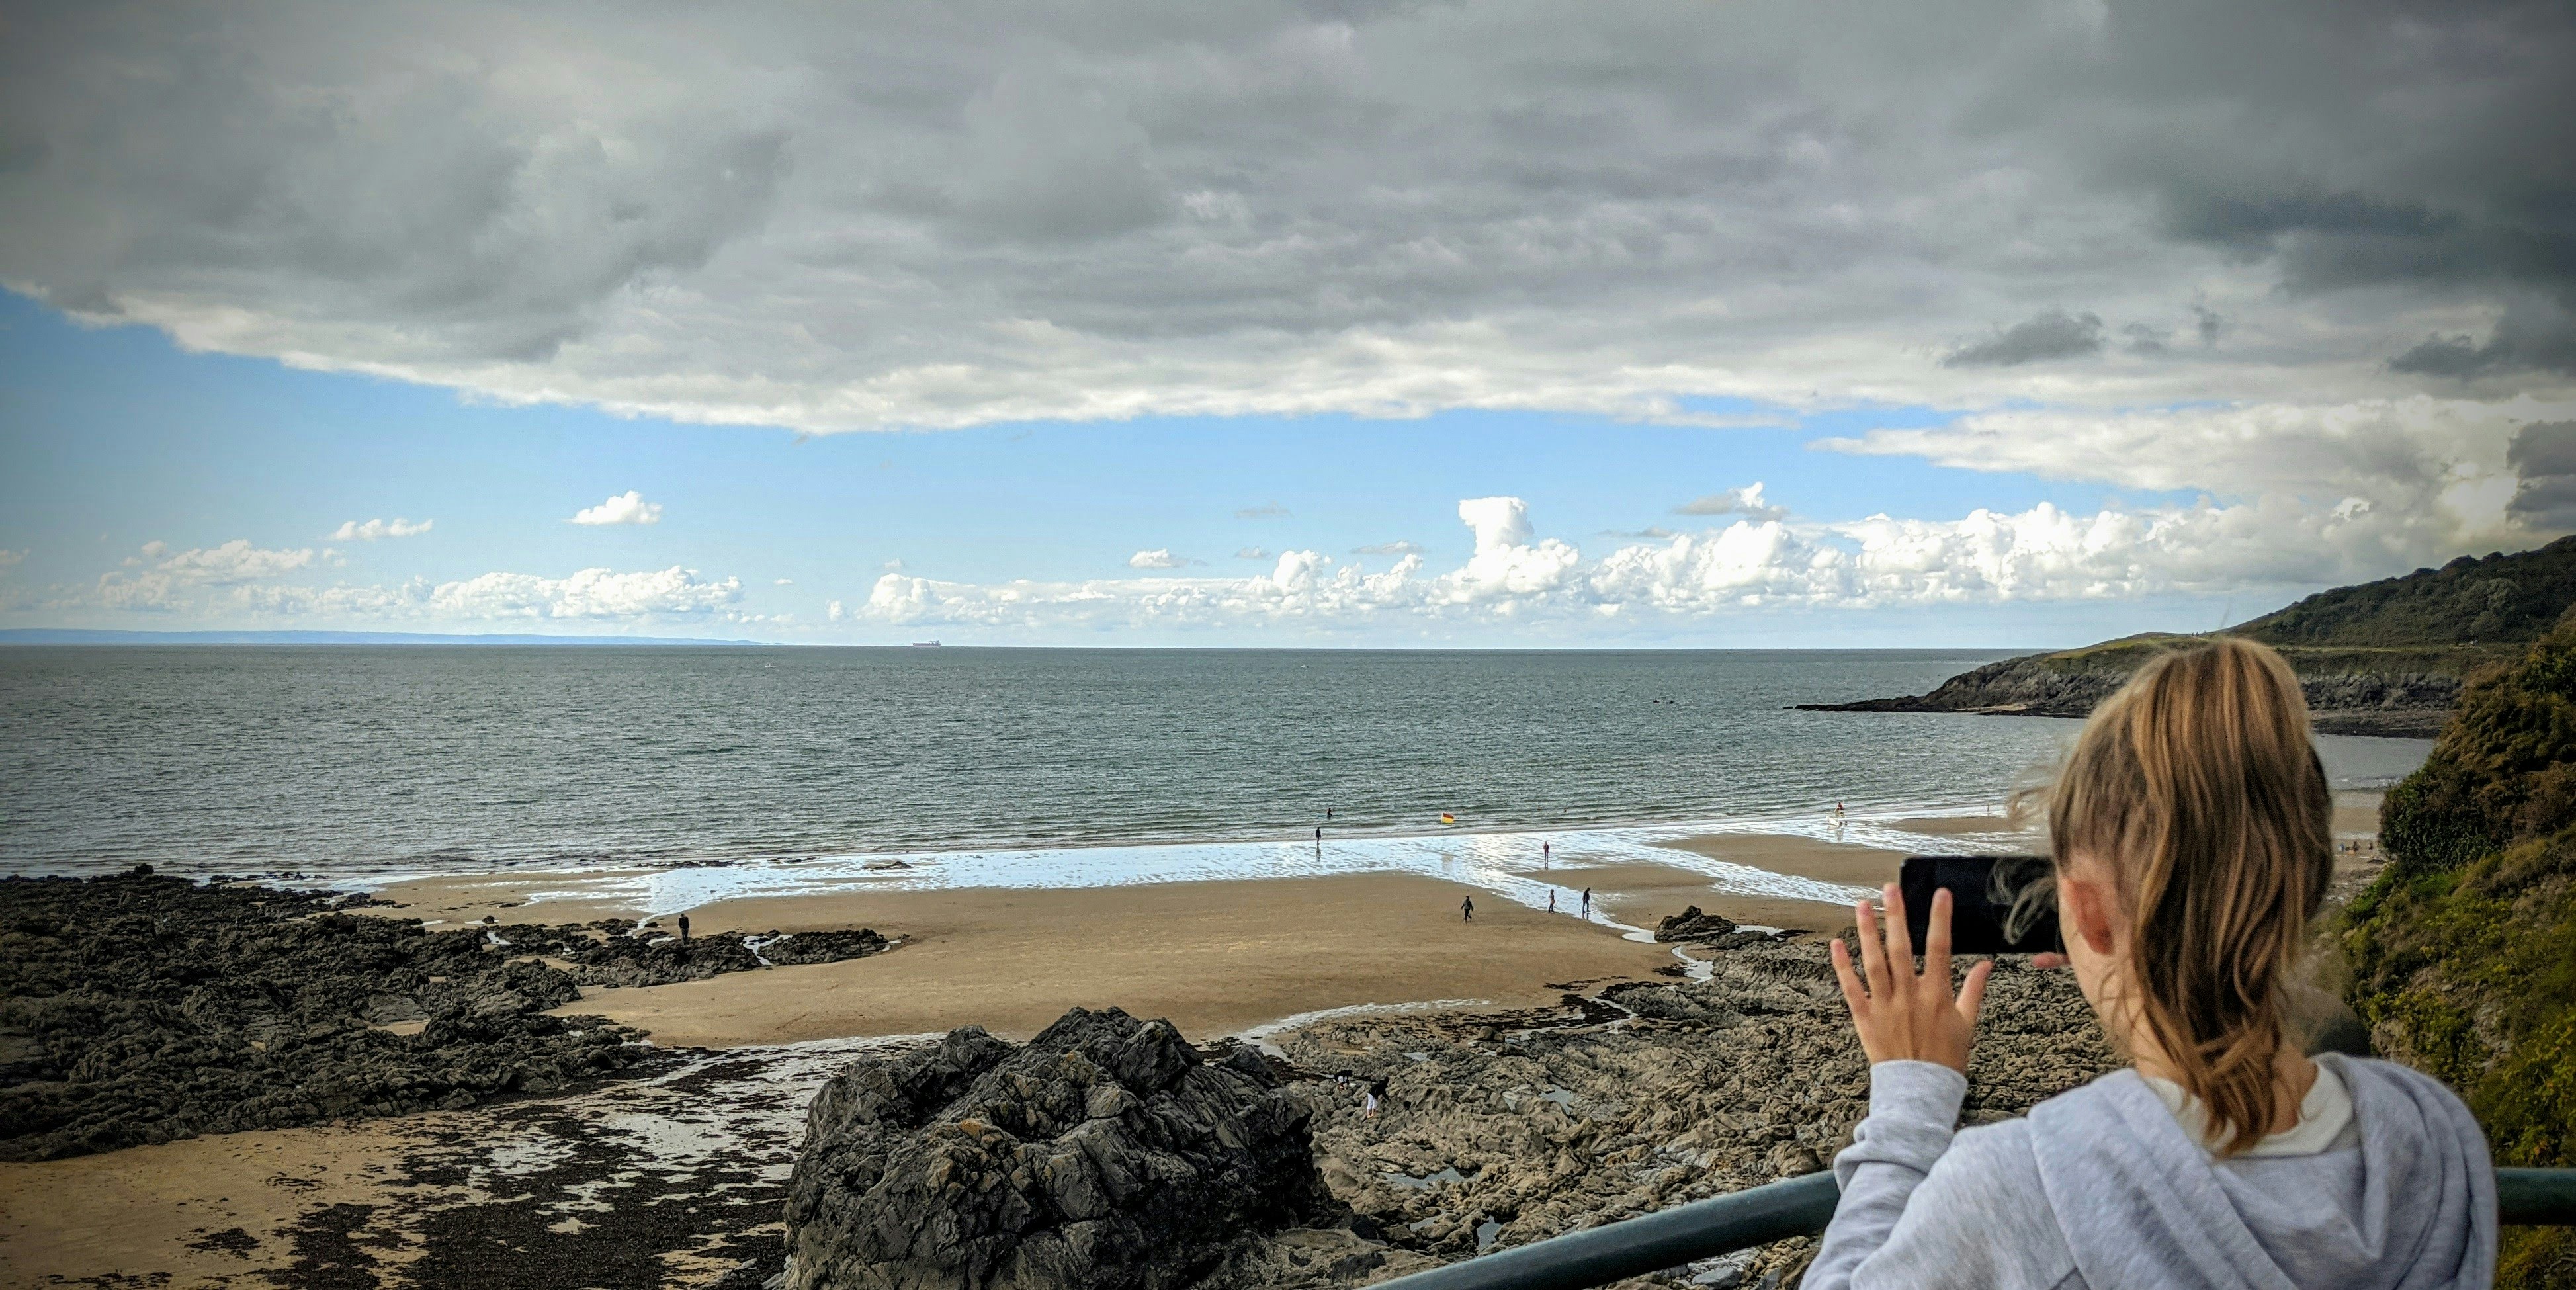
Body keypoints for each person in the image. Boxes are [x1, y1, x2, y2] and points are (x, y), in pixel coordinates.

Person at [1807, 638, 2493, 1290]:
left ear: (2089, 912)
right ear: (2307, 882)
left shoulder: (2028, 1189)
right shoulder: (2435, 1133)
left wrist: (1910, 1102)